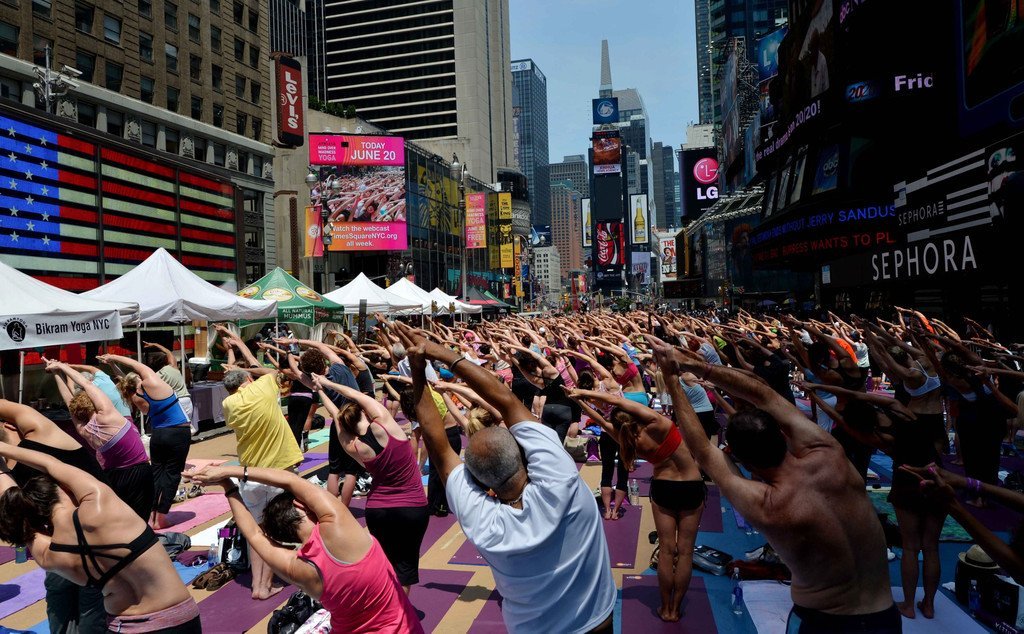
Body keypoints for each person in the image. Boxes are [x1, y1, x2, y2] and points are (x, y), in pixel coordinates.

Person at [647, 335, 899, 634]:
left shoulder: (769, 504)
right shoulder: (829, 454)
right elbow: (764, 396)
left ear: (741, 459)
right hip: (884, 616)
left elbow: (702, 450)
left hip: (824, 621)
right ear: (781, 434)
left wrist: (672, 380)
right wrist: (696, 366)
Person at [394, 323, 615, 633]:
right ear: (522, 456)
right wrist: (440, 353)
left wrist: (417, 372)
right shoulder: (560, 477)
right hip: (597, 624)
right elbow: (506, 400)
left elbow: (438, 446)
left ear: (482, 483)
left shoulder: (483, 523)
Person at [184, 464, 423, 633]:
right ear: (300, 504)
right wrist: (229, 472)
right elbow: (292, 481)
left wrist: (228, 487)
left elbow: (254, 534)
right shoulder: (339, 526)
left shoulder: (296, 567)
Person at [0, 439, 200, 633]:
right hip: (177, 617)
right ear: (63, 489)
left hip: (124, 626)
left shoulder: (50, 556)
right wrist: (3, 449)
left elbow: (17, 514)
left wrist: (3, 472)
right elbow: (49, 463)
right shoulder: (98, 500)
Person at [803, 381, 944, 620]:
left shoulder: (876, 437)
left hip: (908, 483)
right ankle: (929, 605)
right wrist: (816, 385)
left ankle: (909, 605)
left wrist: (815, 397)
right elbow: (855, 394)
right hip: (938, 478)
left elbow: (839, 419)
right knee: (931, 546)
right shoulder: (900, 410)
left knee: (911, 546)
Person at [568, 384, 705, 622]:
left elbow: (599, 420)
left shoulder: (629, 441)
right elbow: (616, 401)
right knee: (685, 551)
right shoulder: (658, 423)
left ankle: (665, 609)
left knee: (666, 550)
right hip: (691, 486)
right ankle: (675, 609)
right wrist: (584, 392)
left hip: (664, 488)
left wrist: (578, 401)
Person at [313, 373, 429, 595]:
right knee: (404, 569)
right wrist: (326, 383)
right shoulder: (386, 425)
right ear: (364, 412)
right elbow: (356, 395)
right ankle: (401, 612)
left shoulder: (353, 447)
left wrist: (319, 390)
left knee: (384, 564)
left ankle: (385, 606)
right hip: (411, 507)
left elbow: (336, 416)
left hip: (378, 510)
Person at [219, 335, 304, 601]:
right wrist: (240, 346)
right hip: (277, 471)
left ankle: (258, 585)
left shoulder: (229, 404)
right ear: (248, 380)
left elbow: (243, 381)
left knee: (256, 533)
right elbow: (268, 371)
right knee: (275, 530)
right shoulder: (263, 388)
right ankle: (266, 584)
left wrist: (235, 363)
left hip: (250, 474)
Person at [47, 359, 154, 520]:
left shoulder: (83, 429)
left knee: (122, 520)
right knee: (140, 521)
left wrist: (56, 373)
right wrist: (61, 366)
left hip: (113, 476)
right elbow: (86, 384)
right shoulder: (108, 415)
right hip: (138, 472)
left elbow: (68, 401)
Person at [98, 353, 191, 530]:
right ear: (139, 380)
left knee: (157, 473)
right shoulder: (154, 385)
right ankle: (161, 518)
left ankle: (151, 516)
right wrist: (113, 357)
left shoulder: (134, 395)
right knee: (171, 474)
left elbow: (125, 380)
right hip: (177, 432)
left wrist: (112, 365)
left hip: (158, 435)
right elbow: (137, 365)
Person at [143, 342, 195, 434]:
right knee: (185, 429)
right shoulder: (173, 367)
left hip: (176, 402)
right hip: (187, 400)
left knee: (176, 430)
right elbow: (168, 352)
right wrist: (155, 344)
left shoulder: (155, 377)